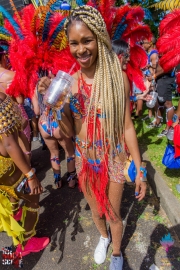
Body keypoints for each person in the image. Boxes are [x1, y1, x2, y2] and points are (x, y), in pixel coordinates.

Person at [38, 6, 147, 269]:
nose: (81, 49)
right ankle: (102, 237)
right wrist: (54, 107)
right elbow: (67, 132)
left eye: (87, 40)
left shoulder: (117, 79)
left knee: (113, 213)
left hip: (113, 158)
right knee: (96, 212)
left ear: (99, 38)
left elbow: (127, 127)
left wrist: (140, 168)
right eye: (74, 43)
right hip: (86, 160)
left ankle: (117, 253)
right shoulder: (70, 83)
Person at [0, 91, 49, 256]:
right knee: (33, 195)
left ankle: (15, 213)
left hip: (4, 169)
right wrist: (30, 175)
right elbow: (8, 145)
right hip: (6, 168)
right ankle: (26, 243)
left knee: (11, 192)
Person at [141, 37, 159, 121]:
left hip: (152, 78)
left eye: (144, 42)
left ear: (150, 43)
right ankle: (149, 115)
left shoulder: (154, 54)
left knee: (153, 98)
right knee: (149, 97)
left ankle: (156, 117)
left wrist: (152, 79)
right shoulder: (148, 53)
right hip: (147, 78)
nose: (143, 44)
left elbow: (156, 67)